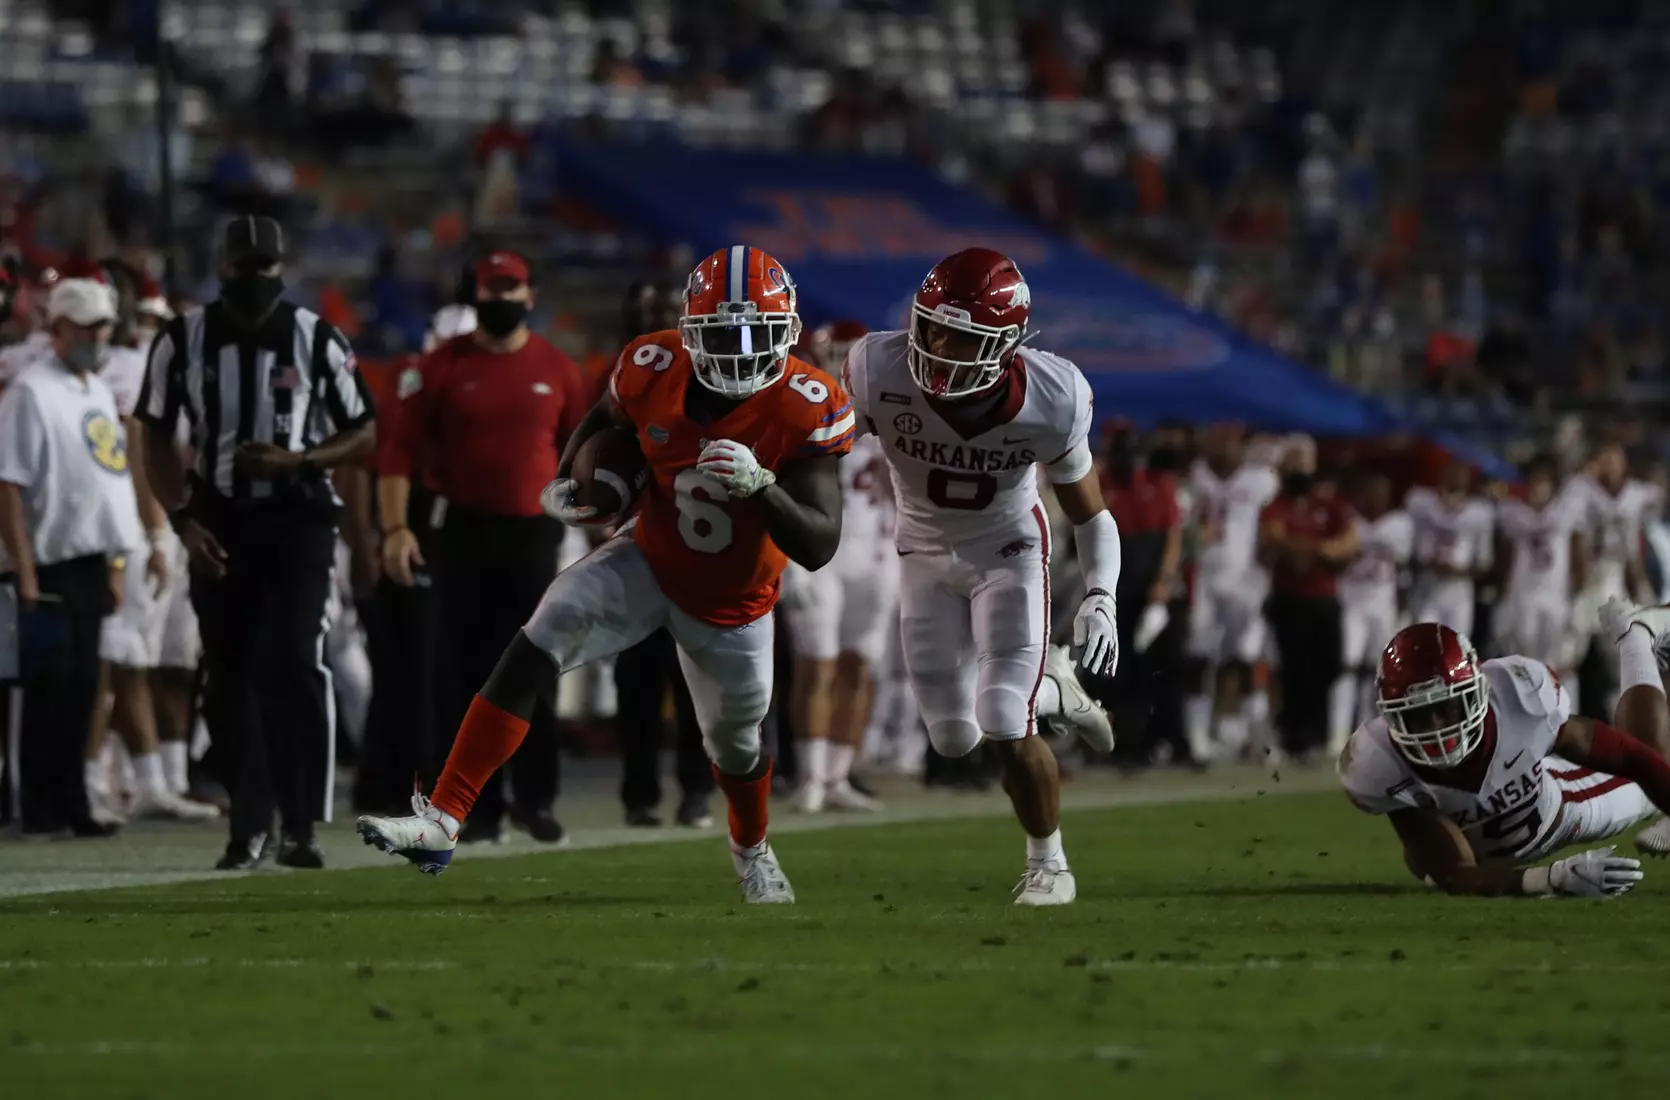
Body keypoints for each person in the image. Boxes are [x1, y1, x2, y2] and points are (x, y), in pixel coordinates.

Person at [358, 245, 851, 904]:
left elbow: (819, 544)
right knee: (542, 633)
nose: (734, 352)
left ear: (786, 333)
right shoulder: (652, 364)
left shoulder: (808, 402)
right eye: (717, 335)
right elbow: (605, 419)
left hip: (735, 601)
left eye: (751, 335)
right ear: (687, 331)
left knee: (734, 747)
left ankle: (751, 846)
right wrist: (571, 476)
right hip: (648, 555)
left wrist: (764, 487)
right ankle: (443, 820)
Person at [842, 247, 1120, 906]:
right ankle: (1057, 691)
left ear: (1004, 343)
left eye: (959, 335)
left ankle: (1049, 863)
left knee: (1001, 717)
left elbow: (1092, 512)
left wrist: (1102, 596)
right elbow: (820, 449)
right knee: (953, 735)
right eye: (931, 325)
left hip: (1008, 548)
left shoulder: (1052, 397)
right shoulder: (875, 366)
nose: (938, 344)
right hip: (921, 550)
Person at [136, 215, 375, 870]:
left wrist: (297, 462)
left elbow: (363, 429)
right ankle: (248, 823)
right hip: (218, 518)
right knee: (227, 677)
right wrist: (182, 518)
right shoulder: (181, 339)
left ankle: (299, 824)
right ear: (223, 268)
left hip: (298, 517)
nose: (255, 279)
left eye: (266, 269)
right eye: (244, 268)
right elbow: (152, 432)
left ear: (281, 270)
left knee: (296, 661)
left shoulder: (313, 336)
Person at [379, 250, 586, 844]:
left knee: (536, 665)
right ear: (474, 296)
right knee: (464, 674)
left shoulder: (557, 367)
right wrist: (396, 528)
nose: (499, 299)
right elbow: (398, 453)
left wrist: (596, 515)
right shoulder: (440, 366)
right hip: (463, 529)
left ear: (530, 296)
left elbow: (582, 449)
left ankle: (537, 798)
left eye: (509, 289)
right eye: (490, 289)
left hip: (533, 531)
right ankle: (477, 807)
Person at [1337, 603, 1670, 897]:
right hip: (1494, 849)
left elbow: (1630, 755)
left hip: (1568, 807)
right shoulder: (1379, 762)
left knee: (1653, 758)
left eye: (1448, 708)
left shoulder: (1518, 695)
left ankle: (1633, 632)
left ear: (1477, 691)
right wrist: (1549, 879)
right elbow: (1456, 872)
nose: (1438, 728)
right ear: (1391, 715)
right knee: (1425, 861)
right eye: (1419, 716)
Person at [0, 276, 140, 837]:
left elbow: (108, 481)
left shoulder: (97, 390)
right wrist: (25, 569)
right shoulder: (30, 391)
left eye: (102, 325)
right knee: (46, 689)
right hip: (49, 559)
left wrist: (114, 563)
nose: (97, 336)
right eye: (85, 326)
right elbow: (8, 483)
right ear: (56, 328)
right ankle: (36, 804)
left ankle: (71, 799)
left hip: (91, 559)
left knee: (84, 688)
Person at [86, 274, 215, 822]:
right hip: (136, 528)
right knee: (120, 657)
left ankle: (156, 777)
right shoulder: (127, 369)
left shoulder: (118, 373)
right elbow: (134, 450)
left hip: (153, 523)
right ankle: (108, 778)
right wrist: (154, 525)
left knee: (157, 659)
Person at [608, 279, 714, 831]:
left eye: (666, 311)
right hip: (638, 546)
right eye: (648, 311)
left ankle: (696, 790)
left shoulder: (709, 377)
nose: (657, 321)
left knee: (695, 677)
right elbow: (592, 447)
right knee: (639, 679)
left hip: (697, 549)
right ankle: (639, 792)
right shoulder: (622, 378)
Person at [780, 319, 895, 813]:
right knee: (816, 667)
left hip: (874, 553)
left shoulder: (895, 407)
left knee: (859, 668)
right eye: (838, 352)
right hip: (819, 554)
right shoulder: (798, 404)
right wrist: (786, 559)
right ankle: (808, 776)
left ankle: (837, 776)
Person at [1184, 425, 1279, 763]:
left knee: (1247, 658)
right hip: (1207, 578)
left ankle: (1259, 739)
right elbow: (1184, 524)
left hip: (1246, 580)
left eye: (1228, 440)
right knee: (1199, 657)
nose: (1221, 446)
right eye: (1215, 438)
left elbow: (1275, 526)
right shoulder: (1197, 477)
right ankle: (1198, 742)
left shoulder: (1262, 480)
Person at [1259, 442, 1357, 760]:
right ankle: (1295, 733)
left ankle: (1316, 728)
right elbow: (1271, 539)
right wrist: (1320, 549)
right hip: (1290, 597)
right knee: (1293, 668)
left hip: (1323, 597)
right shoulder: (1276, 505)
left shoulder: (1328, 504)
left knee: (1329, 664)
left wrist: (1300, 548)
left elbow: (1349, 543)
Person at [1099, 423, 1185, 768]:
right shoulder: (1102, 485)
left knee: (1167, 666)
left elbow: (1173, 533)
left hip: (1153, 587)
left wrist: (1164, 580)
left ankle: (1171, 738)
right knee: (1121, 672)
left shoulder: (1157, 485)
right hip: (1118, 585)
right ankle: (1128, 744)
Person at [1331, 471, 1413, 754]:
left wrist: (1402, 609)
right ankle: (1338, 733)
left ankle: (1370, 731)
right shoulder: (1349, 522)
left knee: (1378, 673)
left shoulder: (1399, 525)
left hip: (1382, 603)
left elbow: (1402, 570)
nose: (1377, 499)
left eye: (1382, 493)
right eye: (1372, 492)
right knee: (1346, 667)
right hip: (1352, 601)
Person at [1495, 455, 1586, 677]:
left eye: (1544, 480)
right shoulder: (1513, 512)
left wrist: (1579, 591)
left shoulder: (1566, 510)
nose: (1539, 486)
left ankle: (1564, 709)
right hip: (1523, 593)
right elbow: (1505, 556)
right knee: (1524, 657)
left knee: (1559, 661)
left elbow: (1578, 552)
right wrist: (1503, 590)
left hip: (1556, 593)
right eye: (1535, 480)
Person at [1406, 461, 1494, 636]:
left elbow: (1484, 564)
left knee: (1456, 648)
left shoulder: (1479, 513)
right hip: (1427, 586)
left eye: (1460, 473)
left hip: (1458, 591)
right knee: (1424, 644)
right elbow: (1410, 551)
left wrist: (1457, 571)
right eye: (1451, 472)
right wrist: (1427, 563)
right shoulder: (1422, 503)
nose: (1455, 478)